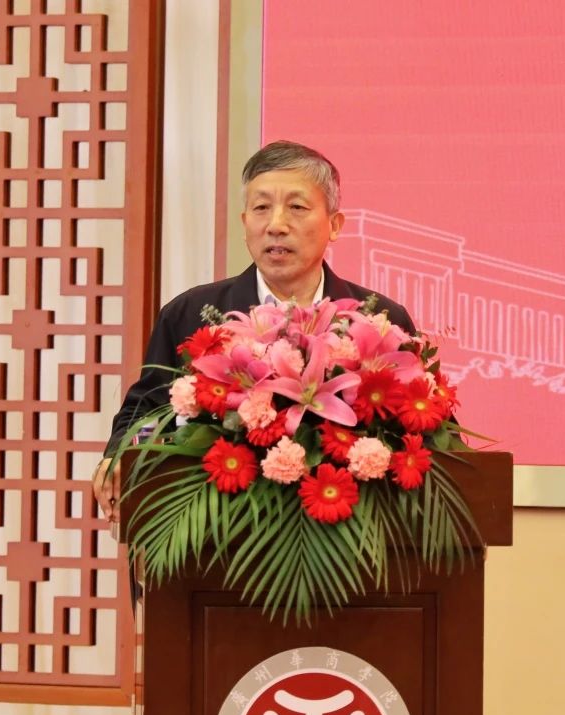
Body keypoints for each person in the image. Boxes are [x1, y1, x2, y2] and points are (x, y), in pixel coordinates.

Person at [92, 140, 416, 518]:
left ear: (334, 225)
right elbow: (146, 411)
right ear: (245, 223)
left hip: (347, 529)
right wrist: (119, 456)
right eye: (261, 208)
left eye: (297, 207)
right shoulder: (191, 315)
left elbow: (424, 428)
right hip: (218, 530)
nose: (276, 225)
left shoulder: (379, 322)